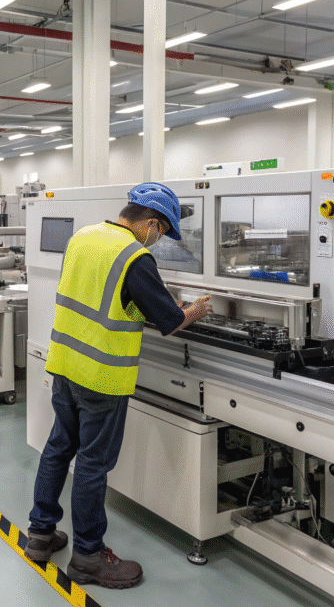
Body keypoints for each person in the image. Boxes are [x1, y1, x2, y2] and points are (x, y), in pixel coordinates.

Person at [24, 182, 213, 589]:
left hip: (65, 364)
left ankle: (40, 535)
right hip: (102, 377)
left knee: (58, 448)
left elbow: (98, 295)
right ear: (152, 223)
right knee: (92, 464)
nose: (158, 240)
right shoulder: (135, 256)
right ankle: (88, 557)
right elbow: (169, 321)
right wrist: (195, 310)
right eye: (162, 232)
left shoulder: (83, 237)